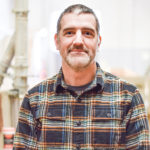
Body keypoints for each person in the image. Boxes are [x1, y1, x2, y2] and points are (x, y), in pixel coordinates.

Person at [13, 4, 150, 150]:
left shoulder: (128, 97)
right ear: (56, 41)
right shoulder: (34, 99)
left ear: (98, 42)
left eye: (87, 33)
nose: (78, 41)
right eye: (69, 33)